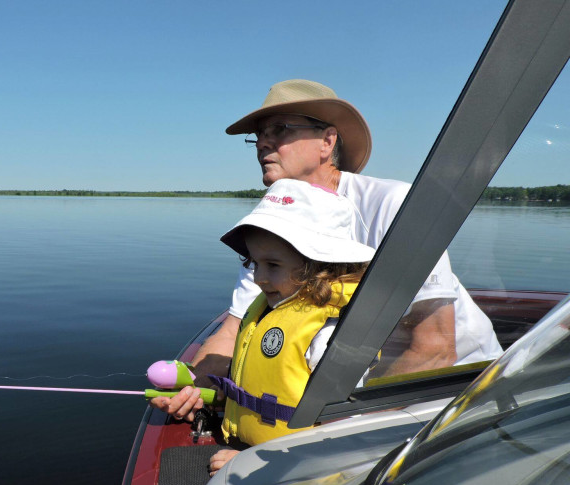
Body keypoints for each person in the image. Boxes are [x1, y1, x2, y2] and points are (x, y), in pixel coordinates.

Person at [152, 79, 502, 426]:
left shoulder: (393, 205)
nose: (262, 143)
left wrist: (325, 438)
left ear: (327, 141)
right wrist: (193, 387)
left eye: (279, 129)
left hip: (454, 388)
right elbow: (232, 332)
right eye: (257, 136)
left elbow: (436, 348)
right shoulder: (272, 228)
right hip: (355, 391)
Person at [204, 179, 375, 475]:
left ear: (320, 265)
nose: (258, 278)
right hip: (258, 450)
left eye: (273, 265)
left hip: (296, 467)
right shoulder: (272, 308)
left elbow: (341, 429)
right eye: (254, 263)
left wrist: (260, 464)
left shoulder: (331, 332)